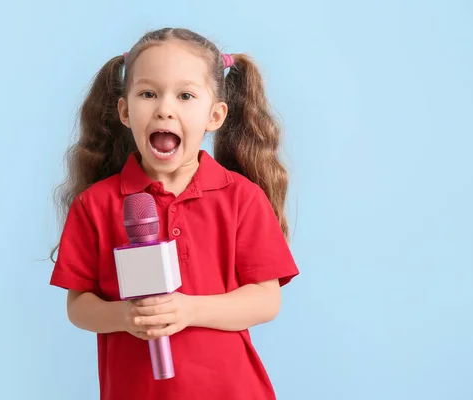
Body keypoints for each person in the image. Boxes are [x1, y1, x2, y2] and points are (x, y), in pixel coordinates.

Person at [49, 27, 299, 400]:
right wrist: (125, 317)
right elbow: (79, 306)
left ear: (215, 115)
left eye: (185, 95)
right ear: (125, 110)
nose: (165, 108)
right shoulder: (96, 205)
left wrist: (187, 310)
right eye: (148, 93)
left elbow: (266, 301)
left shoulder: (242, 198)